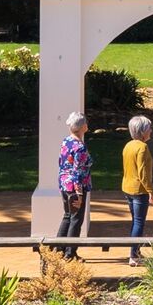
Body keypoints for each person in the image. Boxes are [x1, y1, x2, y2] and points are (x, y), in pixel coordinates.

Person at [121, 115, 153, 267]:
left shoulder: (128, 145)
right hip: (138, 190)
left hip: (127, 187)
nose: (151, 131)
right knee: (139, 222)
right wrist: (151, 191)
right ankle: (133, 255)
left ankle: (135, 250)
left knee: (135, 220)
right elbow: (143, 173)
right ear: (143, 132)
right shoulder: (142, 147)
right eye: (148, 128)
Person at [56, 111, 92, 260]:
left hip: (65, 184)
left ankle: (58, 248)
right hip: (76, 187)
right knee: (76, 219)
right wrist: (80, 194)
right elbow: (77, 171)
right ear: (83, 126)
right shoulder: (79, 147)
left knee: (68, 216)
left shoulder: (66, 141)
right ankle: (70, 253)